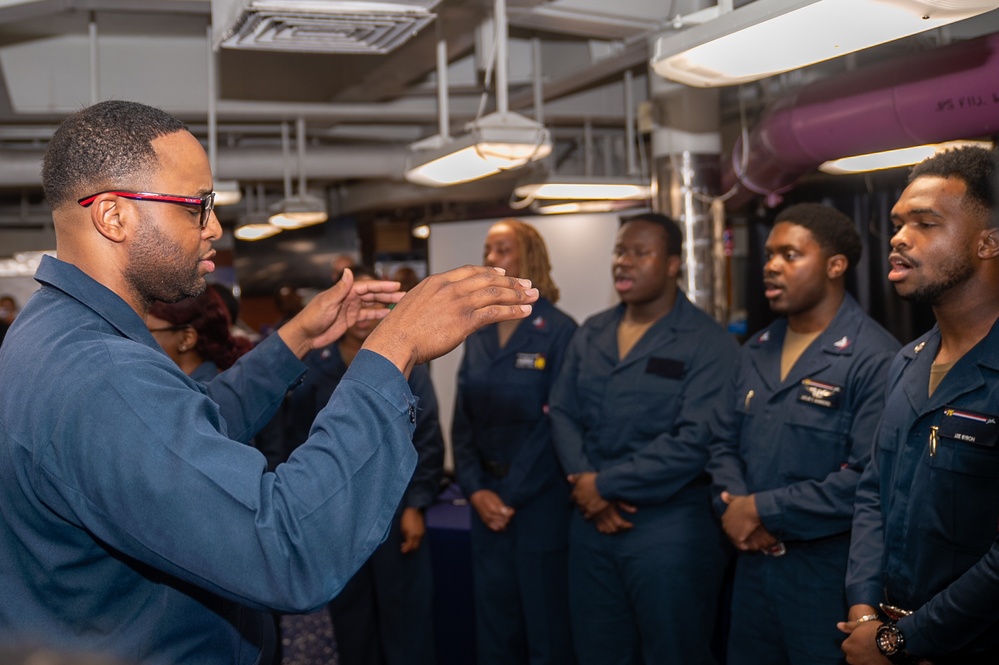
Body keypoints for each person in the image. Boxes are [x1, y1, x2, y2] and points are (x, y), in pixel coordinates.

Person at [0, 99, 538, 664]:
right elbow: (287, 547)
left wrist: (296, 338)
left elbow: (186, 426)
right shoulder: (101, 373)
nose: (214, 227)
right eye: (195, 206)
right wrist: (391, 349)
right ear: (112, 216)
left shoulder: (53, 330)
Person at [708, 203, 899, 665]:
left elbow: (866, 480)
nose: (771, 266)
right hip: (752, 567)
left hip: (824, 573)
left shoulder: (875, 357)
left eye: (790, 255)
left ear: (836, 266)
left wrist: (763, 509)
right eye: (770, 254)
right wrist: (734, 505)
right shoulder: (756, 348)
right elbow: (721, 442)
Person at [550, 212, 738, 665]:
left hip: (670, 529)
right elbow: (561, 411)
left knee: (675, 652)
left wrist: (604, 486)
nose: (624, 263)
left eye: (640, 252)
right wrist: (586, 483)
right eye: (619, 251)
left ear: (673, 264)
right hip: (593, 525)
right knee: (598, 651)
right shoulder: (591, 331)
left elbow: (693, 441)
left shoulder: (709, 343)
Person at [837, 146, 999, 664]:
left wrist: (905, 640)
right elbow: (872, 494)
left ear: (988, 243)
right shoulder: (907, 362)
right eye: (897, 223)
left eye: (925, 224)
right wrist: (866, 615)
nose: (899, 238)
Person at [281, 265, 443, 665]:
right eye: (361, 304)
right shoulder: (314, 368)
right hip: (338, 520)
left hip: (396, 515)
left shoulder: (411, 366)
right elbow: (295, 443)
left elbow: (429, 440)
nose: (369, 315)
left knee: (406, 622)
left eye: (378, 306)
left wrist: (417, 506)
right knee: (353, 624)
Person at [451, 218, 577, 665]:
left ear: (530, 259)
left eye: (502, 249)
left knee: (546, 634)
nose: (491, 259)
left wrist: (509, 495)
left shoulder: (560, 331)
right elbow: (462, 420)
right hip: (487, 506)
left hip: (539, 505)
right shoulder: (477, 331)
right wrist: (476, 488)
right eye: (488, 250)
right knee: (495, 633)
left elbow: (557, 424)